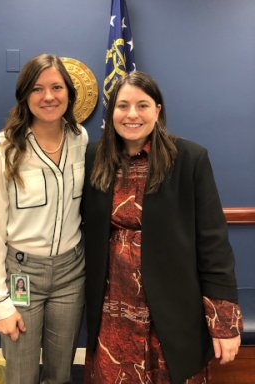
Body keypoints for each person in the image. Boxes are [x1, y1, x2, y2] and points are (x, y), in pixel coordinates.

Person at [81, 71, 243, 384]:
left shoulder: (190, 159)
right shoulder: (93, 158)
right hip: (112, 310)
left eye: (142, 105)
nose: (131, 114)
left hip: (173, 307)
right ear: (111, 111)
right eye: (122, 105)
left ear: (157, 110)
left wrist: (224, 323)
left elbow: (213, 244)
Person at [0, 54, 88, 384]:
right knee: (22, 375)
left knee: (60, 373)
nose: (49, 96)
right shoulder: (3, 149)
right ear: (25, 95)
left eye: (57, 87)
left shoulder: (79, 139)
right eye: (38, 88)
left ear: (69, 93)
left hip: (71, 273)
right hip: (22, 275)